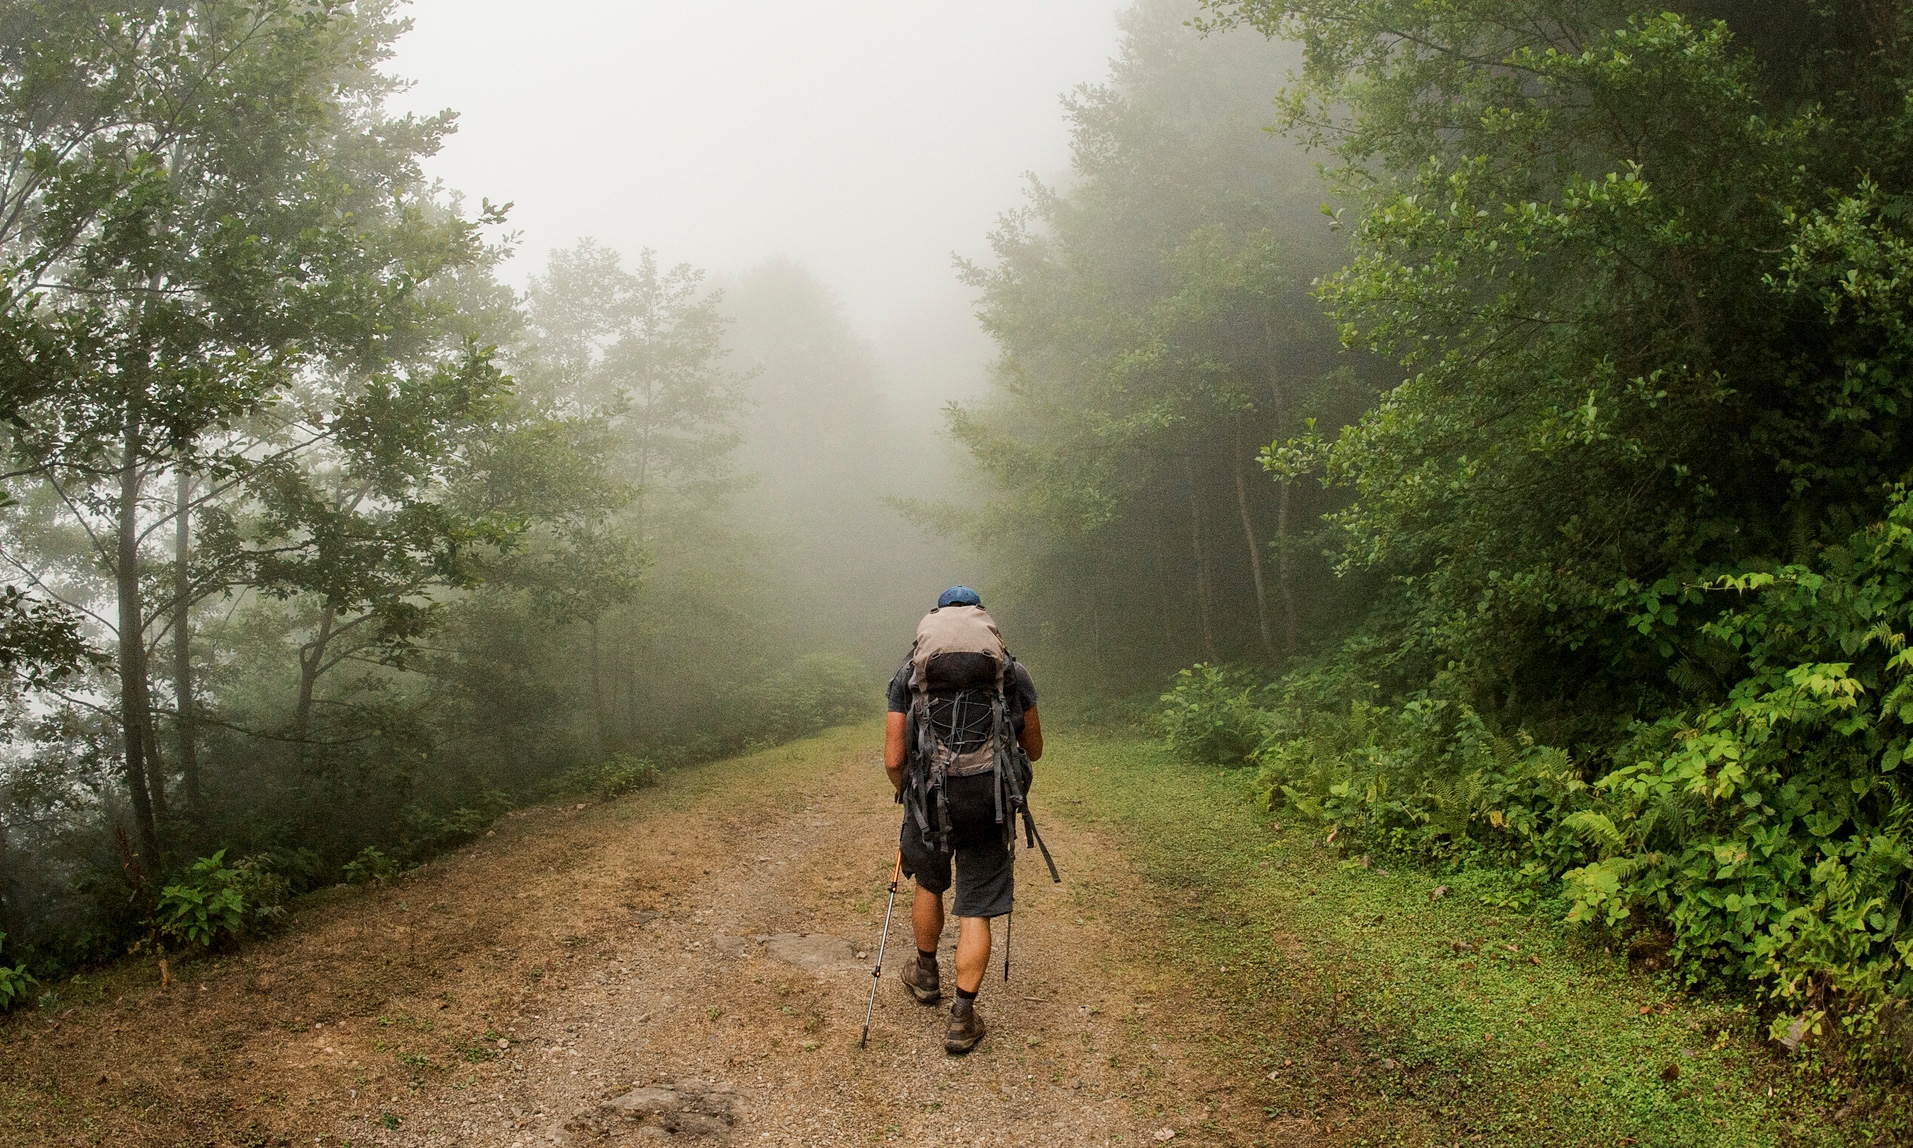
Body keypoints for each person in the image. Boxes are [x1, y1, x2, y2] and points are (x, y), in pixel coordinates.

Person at [884, 585, 1042, 1055]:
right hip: (988, 798)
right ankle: (962, 1017)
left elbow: (895, 758)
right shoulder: (1011, 673)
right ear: (983, 623)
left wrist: (906, 794)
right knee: (976, 904)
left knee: (929, 882)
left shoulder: (908, 675)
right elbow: (1032, 748)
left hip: (930, 797)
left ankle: (926, 974)